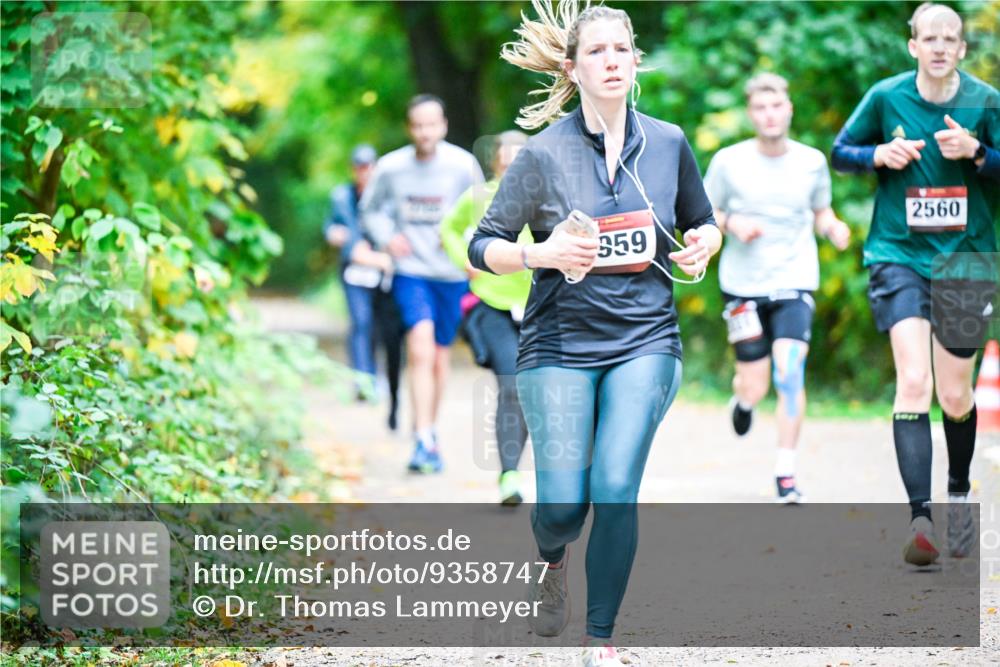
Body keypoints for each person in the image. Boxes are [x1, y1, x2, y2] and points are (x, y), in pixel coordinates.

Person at [468, 2, 721, 663]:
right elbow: (481, 244)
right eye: (597, 52)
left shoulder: (666, 142)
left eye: (621, 49)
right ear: (573, 69)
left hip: (645, 339)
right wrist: (541, 254)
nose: (611, 60)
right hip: (557, 344)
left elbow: (702, 218)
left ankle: (599, 640)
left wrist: (703, 245)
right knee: (561, 506)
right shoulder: (542, 156)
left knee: (614, 485)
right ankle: (551, 560)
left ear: (635, 61)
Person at [832, 2, 999, 566]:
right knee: (913, 380)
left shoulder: (985, 101)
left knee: (955, 395)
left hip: (967, 260)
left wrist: (978, 152)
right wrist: (878, 153)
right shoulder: (886, 96)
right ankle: (920, 519)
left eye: (950, 38)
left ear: (961, 49)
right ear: (913, 45)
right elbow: (841, 153)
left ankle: (957, 494)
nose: (940, 46)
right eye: (930, 37)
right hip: (898, 254)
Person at [703, 73, 851, 504]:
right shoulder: (728, 162)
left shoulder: (811, 161)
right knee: (756, 382)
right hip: (742, 286)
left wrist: (834, 228)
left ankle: (785, 471)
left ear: (789, 109)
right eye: (761, 108)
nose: (769, 114)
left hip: (794, 280)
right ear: (752, 114)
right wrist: (732, 223)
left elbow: (822, 212)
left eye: (776, 106)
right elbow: (705, 214)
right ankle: (744, 401)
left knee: (789, 371)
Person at [361, 95, 484, 473]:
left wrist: (473, 252)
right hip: (410, 270)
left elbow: (483, 211)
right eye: (417, 125)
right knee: (420, 344)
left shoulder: (463, 165)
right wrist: (386, 238)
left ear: (443, 126)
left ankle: (429, 430)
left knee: (439, 356)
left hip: (449, 272)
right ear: (409, 128)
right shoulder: (392, 167)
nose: (425, 132)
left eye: (431, 125)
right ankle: (422, 436)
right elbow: (370, 208)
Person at [441, 130, 533, 506]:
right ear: (496, 163)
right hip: (491, 303)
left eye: (519, 165)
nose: (511, 171)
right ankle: (509, 474)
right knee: (511, 383)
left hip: (538, 307)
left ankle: (523, 470)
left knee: (531, 389)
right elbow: (448, 227)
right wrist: (462, 258)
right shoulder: (480, 197)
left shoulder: (546, 197)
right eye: (505, 164)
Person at [324, 144, 404, 431]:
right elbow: (335, 230)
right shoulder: (341, 196)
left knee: (382, 328)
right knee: (360, 322)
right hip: (355, 270)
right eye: (359, 166)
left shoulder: (388, 195)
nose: (364, 172)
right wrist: (337, 237)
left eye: (369, 166)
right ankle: (363, 378)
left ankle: (379, 377)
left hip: (383, 271)